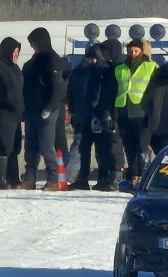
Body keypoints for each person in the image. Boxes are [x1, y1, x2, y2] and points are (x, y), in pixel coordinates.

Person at [22, 27, 67, 191]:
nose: (32, 47)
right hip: (32, 109)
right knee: (30, 145)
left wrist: (50, 106)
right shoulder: (34, 60)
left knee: (47, 145)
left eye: (33, 43)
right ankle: (29, 177)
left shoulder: (52, 59)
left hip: (47, 109)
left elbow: (57, 87)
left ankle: (53, 178)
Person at [110, 39, 158, 187]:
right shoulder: (120, 68)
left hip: (142, 113)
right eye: (130, 50)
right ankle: (133, 177)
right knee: (129, 147)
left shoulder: (151, 67)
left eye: (136, 50)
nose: (132, 53)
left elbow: (155, 90)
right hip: (124, 112)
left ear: (141, 51)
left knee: (142, 147)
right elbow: (112, 90)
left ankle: (144, 177)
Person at [0, 37, 25, 190]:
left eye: (17, 52)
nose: (16, 54)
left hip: (15, 114)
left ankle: (13, 178)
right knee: (4, 145)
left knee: (14, 147)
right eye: (14, 51)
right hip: (2, 113)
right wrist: (13, 104)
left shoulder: (15, 68)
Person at [93, 40, 129, 192]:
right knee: (106, 145)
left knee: (116, 144)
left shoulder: (119, 68)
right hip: (106, 111)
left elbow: (117, 92)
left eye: (106, 51)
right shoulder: (108, 68)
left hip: (117, 111)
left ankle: (117, 175)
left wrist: (112, 113)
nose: (103, 54)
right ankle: (107, 175)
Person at [68, 45, 103, 190]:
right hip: (93, 115)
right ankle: (101, 178)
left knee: (81, 148)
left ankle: (76, 177)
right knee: (97, 149)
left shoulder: (77, 72)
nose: (91, 60)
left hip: (82, 115)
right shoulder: (102, 71)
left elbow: (70, 95)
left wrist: (72, 111)